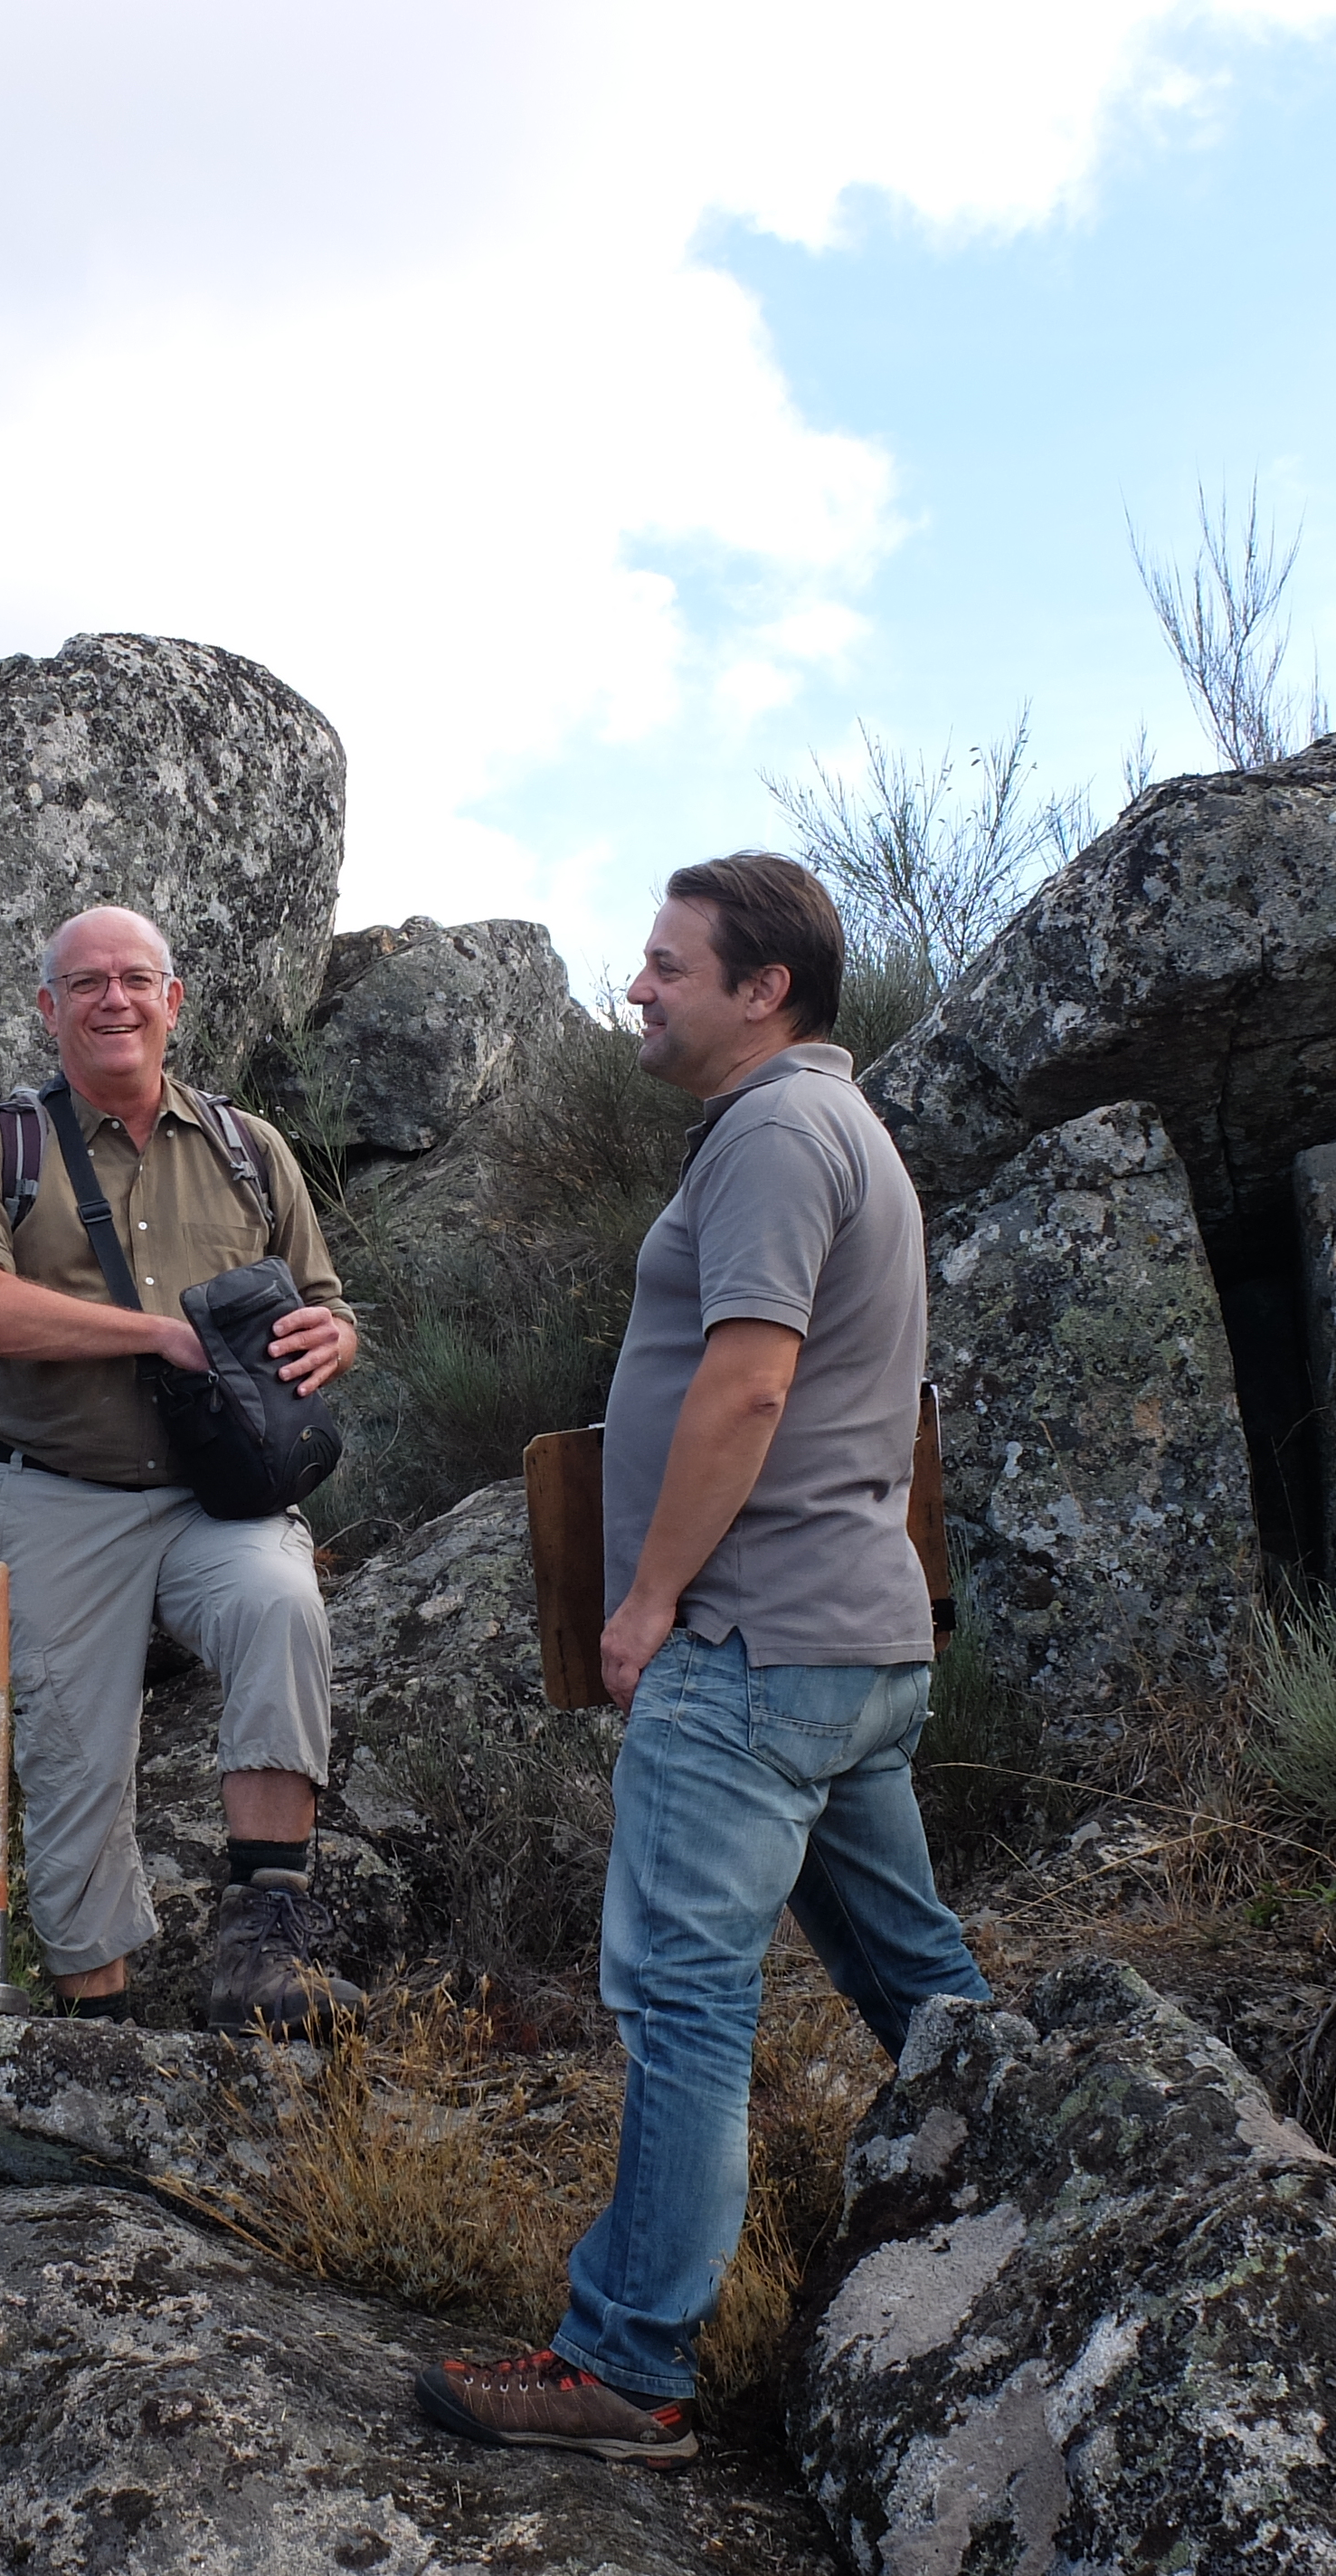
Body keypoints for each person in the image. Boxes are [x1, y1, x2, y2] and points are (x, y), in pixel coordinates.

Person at [413, 852, 992, 2464]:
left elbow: (748, 1386)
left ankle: (627, 2364)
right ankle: (1063, 2172)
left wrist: (648, 1600)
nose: (638, 987)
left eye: (669, 964)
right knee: (918, 1979)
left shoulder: (777, 1133)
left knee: (682, 2002)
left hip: (751, 1647)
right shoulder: (828, 1128)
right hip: (848, 1640)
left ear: (766, 992)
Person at [0, 906, 366, 2033]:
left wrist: (336, 1338)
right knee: (71, 1772)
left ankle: (264, 1947)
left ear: (174, 1000)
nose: (112, 1000)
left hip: (220, 1496)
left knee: (281, 1612)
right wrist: (156, 1335)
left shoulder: (248, 1149)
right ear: (47, 1009)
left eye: (133, 980)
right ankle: (98, 2032)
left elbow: (324, 1300)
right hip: (57, 1490)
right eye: (85, 984)